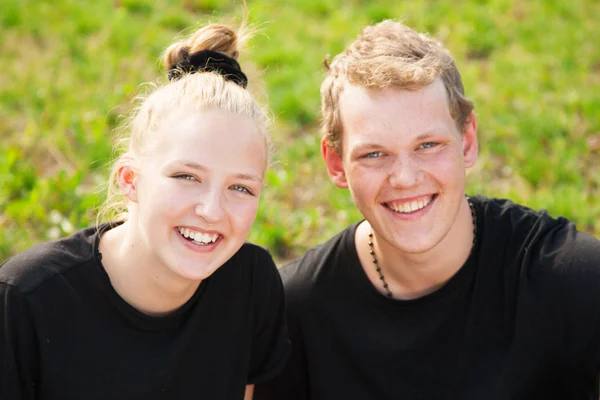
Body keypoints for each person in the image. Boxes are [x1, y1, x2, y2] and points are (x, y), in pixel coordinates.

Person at [254, 20, 600, 399]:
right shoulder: (294, 313)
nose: (404, 177)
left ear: (467, 142)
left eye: (428, 145)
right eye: (374, 154)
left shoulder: (568, 279)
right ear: (336, 163)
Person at [0, 16, 289, 400]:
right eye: (187, 176)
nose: (212, 211)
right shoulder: (27, 300)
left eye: (240, 187)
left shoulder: (251, 283)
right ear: (130, 180)